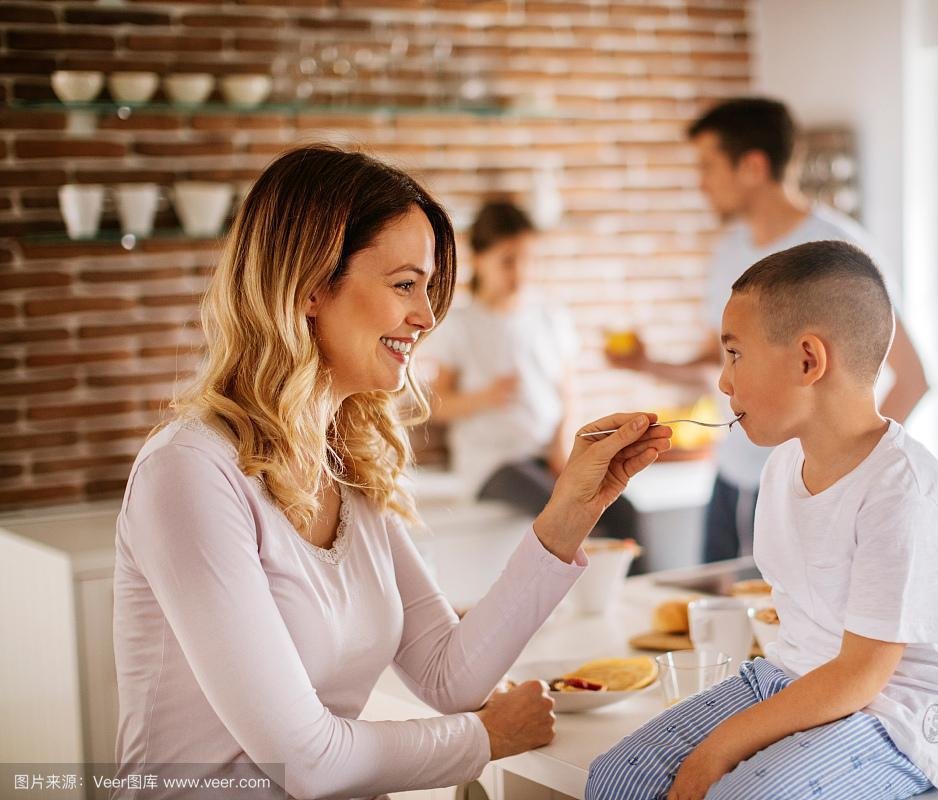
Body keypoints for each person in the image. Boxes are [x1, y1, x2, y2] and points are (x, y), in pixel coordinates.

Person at [111, 144, 671, 800]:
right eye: (405, 284)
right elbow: (307, 760)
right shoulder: (189, 474)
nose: (427, 317)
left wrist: (572, 507)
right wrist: (486, 738)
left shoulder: (349, 465)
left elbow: (447, 674)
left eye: (427, 288)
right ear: (312, 286)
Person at [587, 241, 938, 800]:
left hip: (899, 709)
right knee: (617, 778)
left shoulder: (904, 493)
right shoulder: (781, 468)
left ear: (808, 360)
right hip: (793, 676)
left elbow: (860, 674)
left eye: (735, 355)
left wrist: (719, 748)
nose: (724, 383)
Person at [607, 97, 929, 563]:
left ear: (752, 167)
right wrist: (646, 364)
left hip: (807, 488)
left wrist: (846, 477)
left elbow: (913, 378)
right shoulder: (727, 251)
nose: (700, 183)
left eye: (709, 166)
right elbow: (714, 367)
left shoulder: (837, 251)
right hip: (730, 480)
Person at [422, 200, 644, 565]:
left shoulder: (549, 317)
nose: (520, 272)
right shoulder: (460, 325)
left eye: (527, 259)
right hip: (495, 466)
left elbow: (568, 393)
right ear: (478, 258)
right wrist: (485, 398)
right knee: (568, 512)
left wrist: (564, 446)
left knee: (624, 512)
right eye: (508, 260)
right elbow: (436, 405)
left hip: (547, 456)